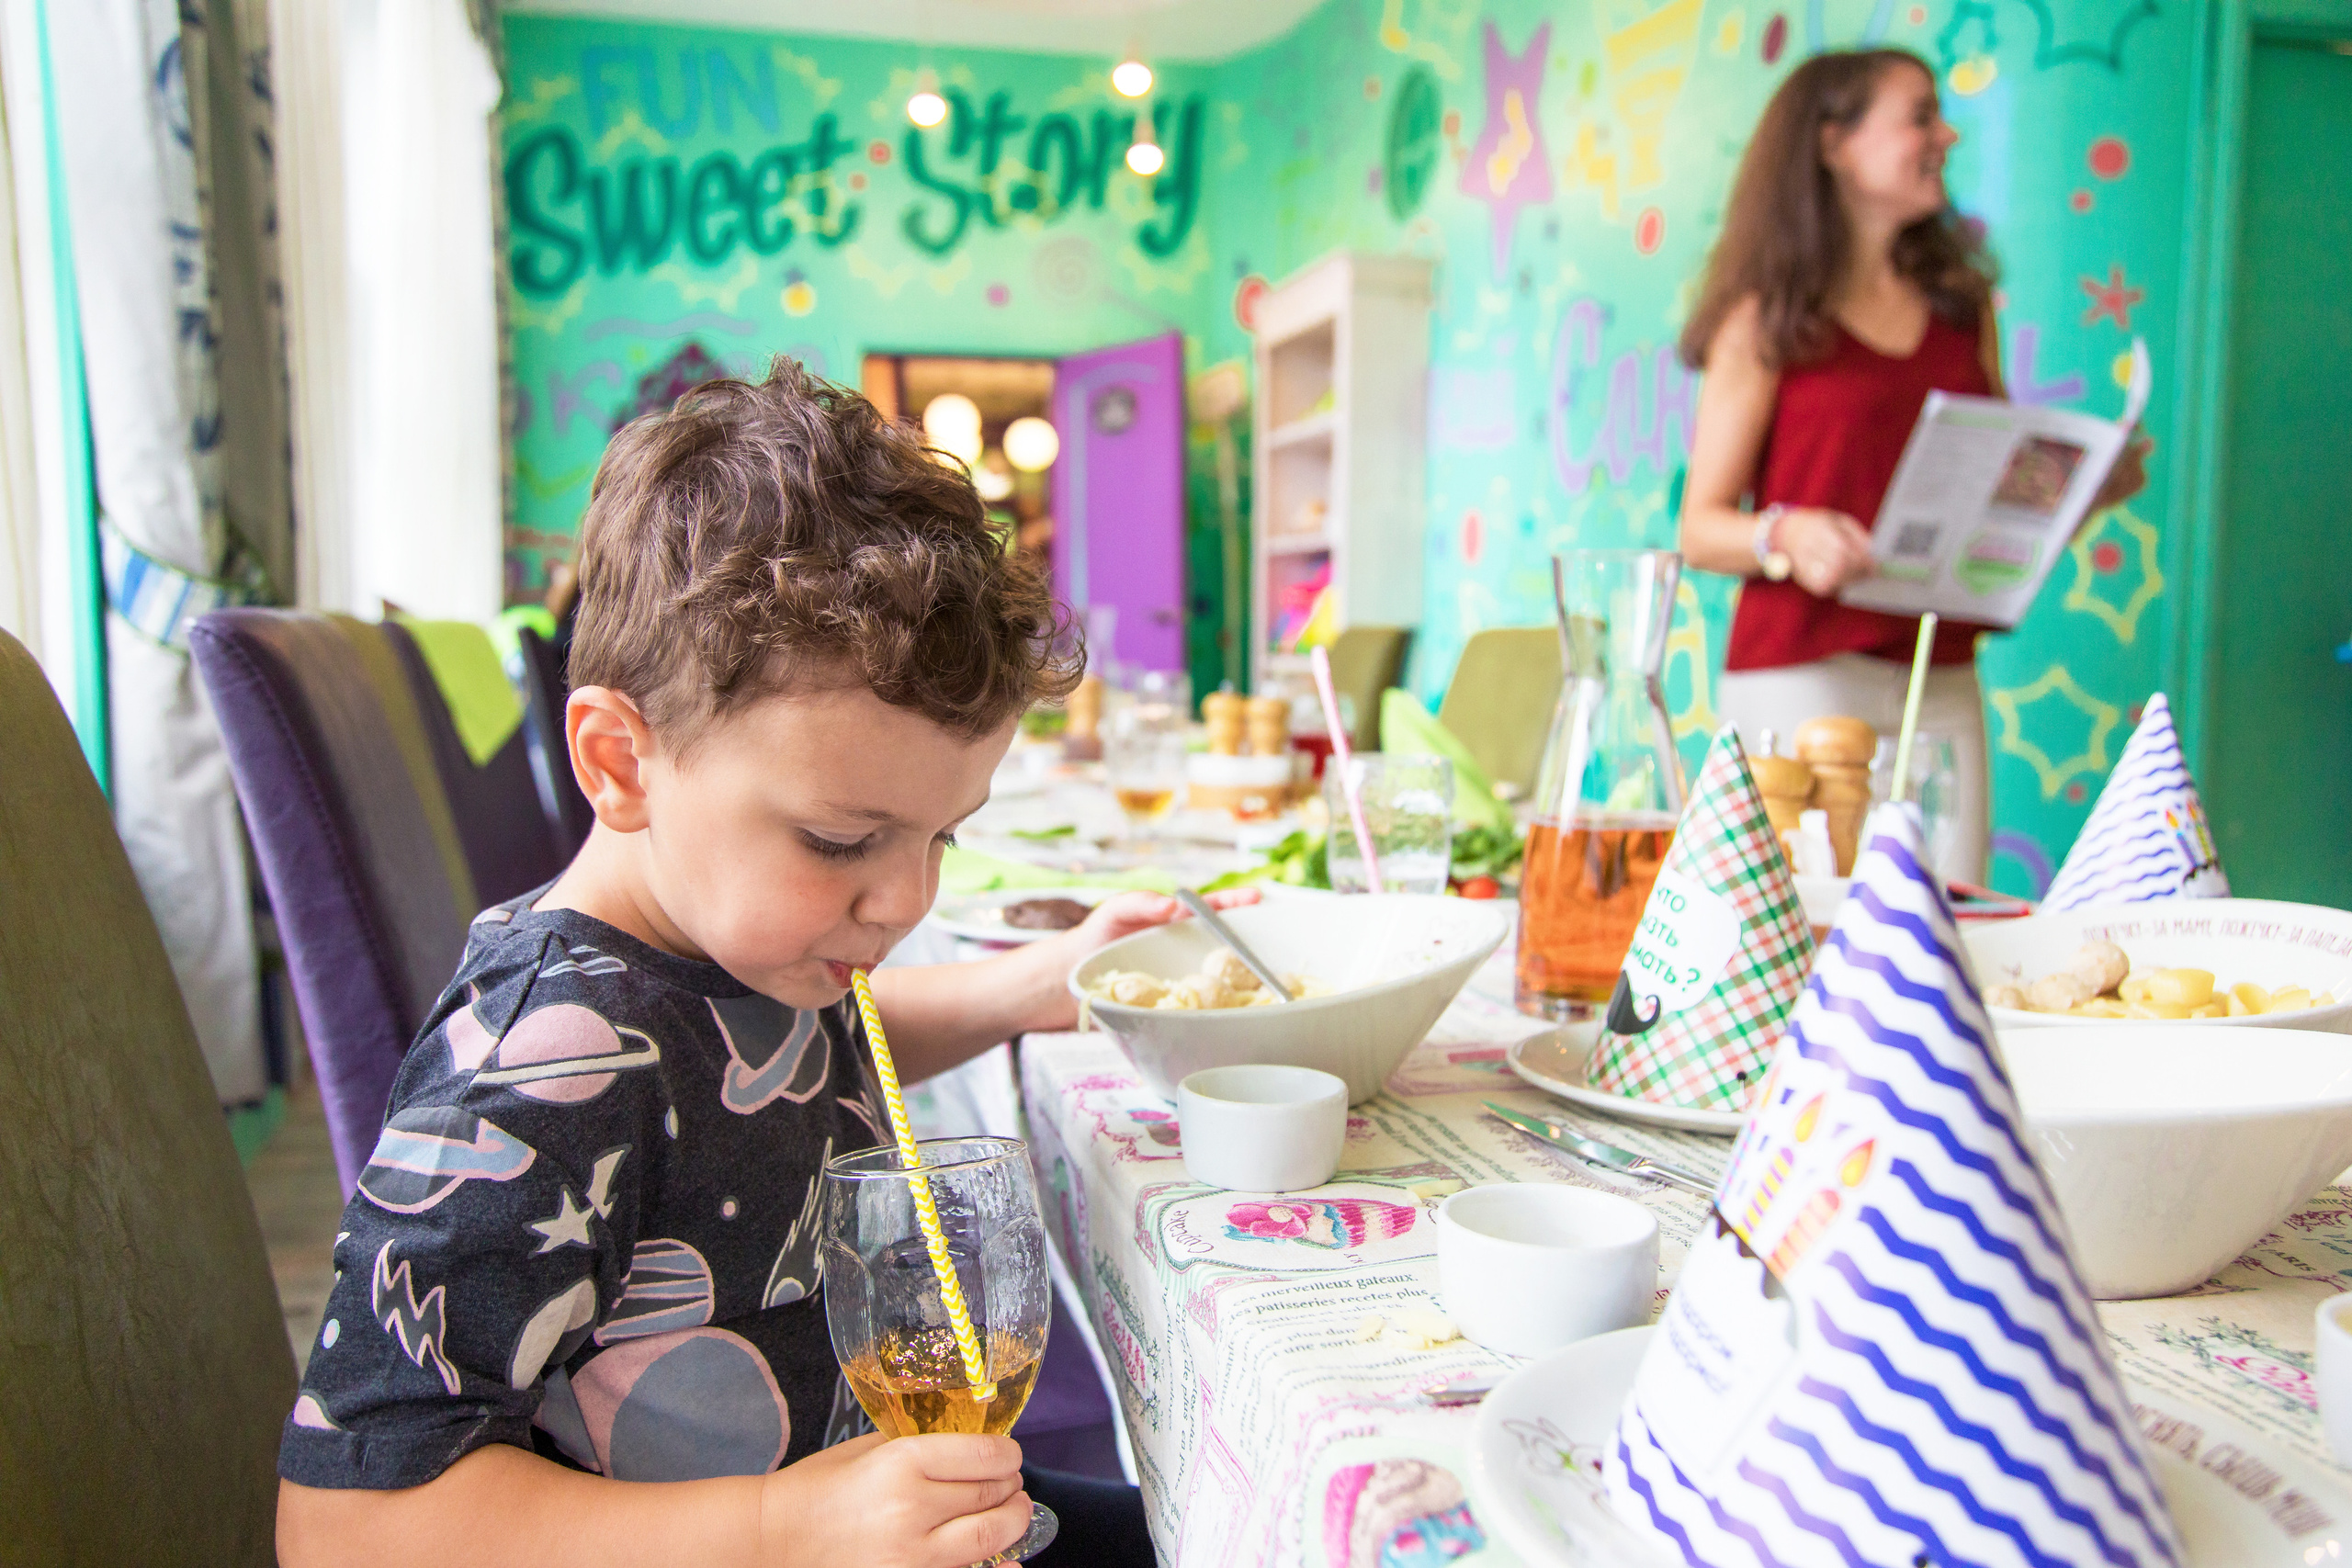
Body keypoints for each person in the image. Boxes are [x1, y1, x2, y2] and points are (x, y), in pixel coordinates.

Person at [275, 360, 1239, 1568]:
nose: (906, 899)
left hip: (858, 1486)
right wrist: (781, 1523)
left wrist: (1029, 986)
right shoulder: (547, 1064)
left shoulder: (743, 944)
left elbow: (807, 1043)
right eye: (841, 839)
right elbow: (343, 1520)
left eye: (941, 834)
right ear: (620, 759)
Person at [1677, 48, 2146, 884]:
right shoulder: (1764, 323)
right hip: (1800, 675)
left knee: (1946, 934)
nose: (1947, 133)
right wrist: (1788, 531)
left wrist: (2081, 488)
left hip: (1942, 675)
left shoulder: (1961, 311)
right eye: (1921, 115)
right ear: (1833, 144)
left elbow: (1995, 495)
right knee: (1800, 938)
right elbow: (1700, 530)